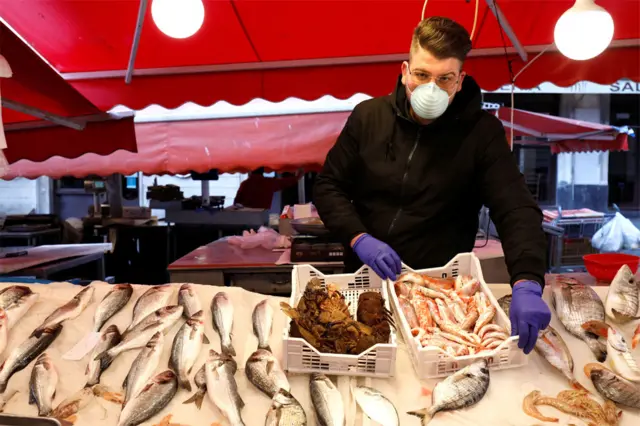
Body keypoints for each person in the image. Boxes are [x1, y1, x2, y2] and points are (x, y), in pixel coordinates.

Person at [314, 17, 550, 354]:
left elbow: (515, 208)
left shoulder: (482, 134)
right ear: (405, 71)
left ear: (459, 80)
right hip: (366, 279)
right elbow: (328, 186)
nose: (431, 88)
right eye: (422, 75)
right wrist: (358, 237)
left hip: (442, 291)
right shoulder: (368, 117)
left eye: (444, 79)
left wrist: (527, 281)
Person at [234, 168, 302, 210]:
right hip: (263, 217)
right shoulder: (269, 183)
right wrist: (297, 177)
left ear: (250, 172)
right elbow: (285, 182)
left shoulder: (245, 184)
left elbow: (236, 202)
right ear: (262, 172)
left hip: (246, 217)